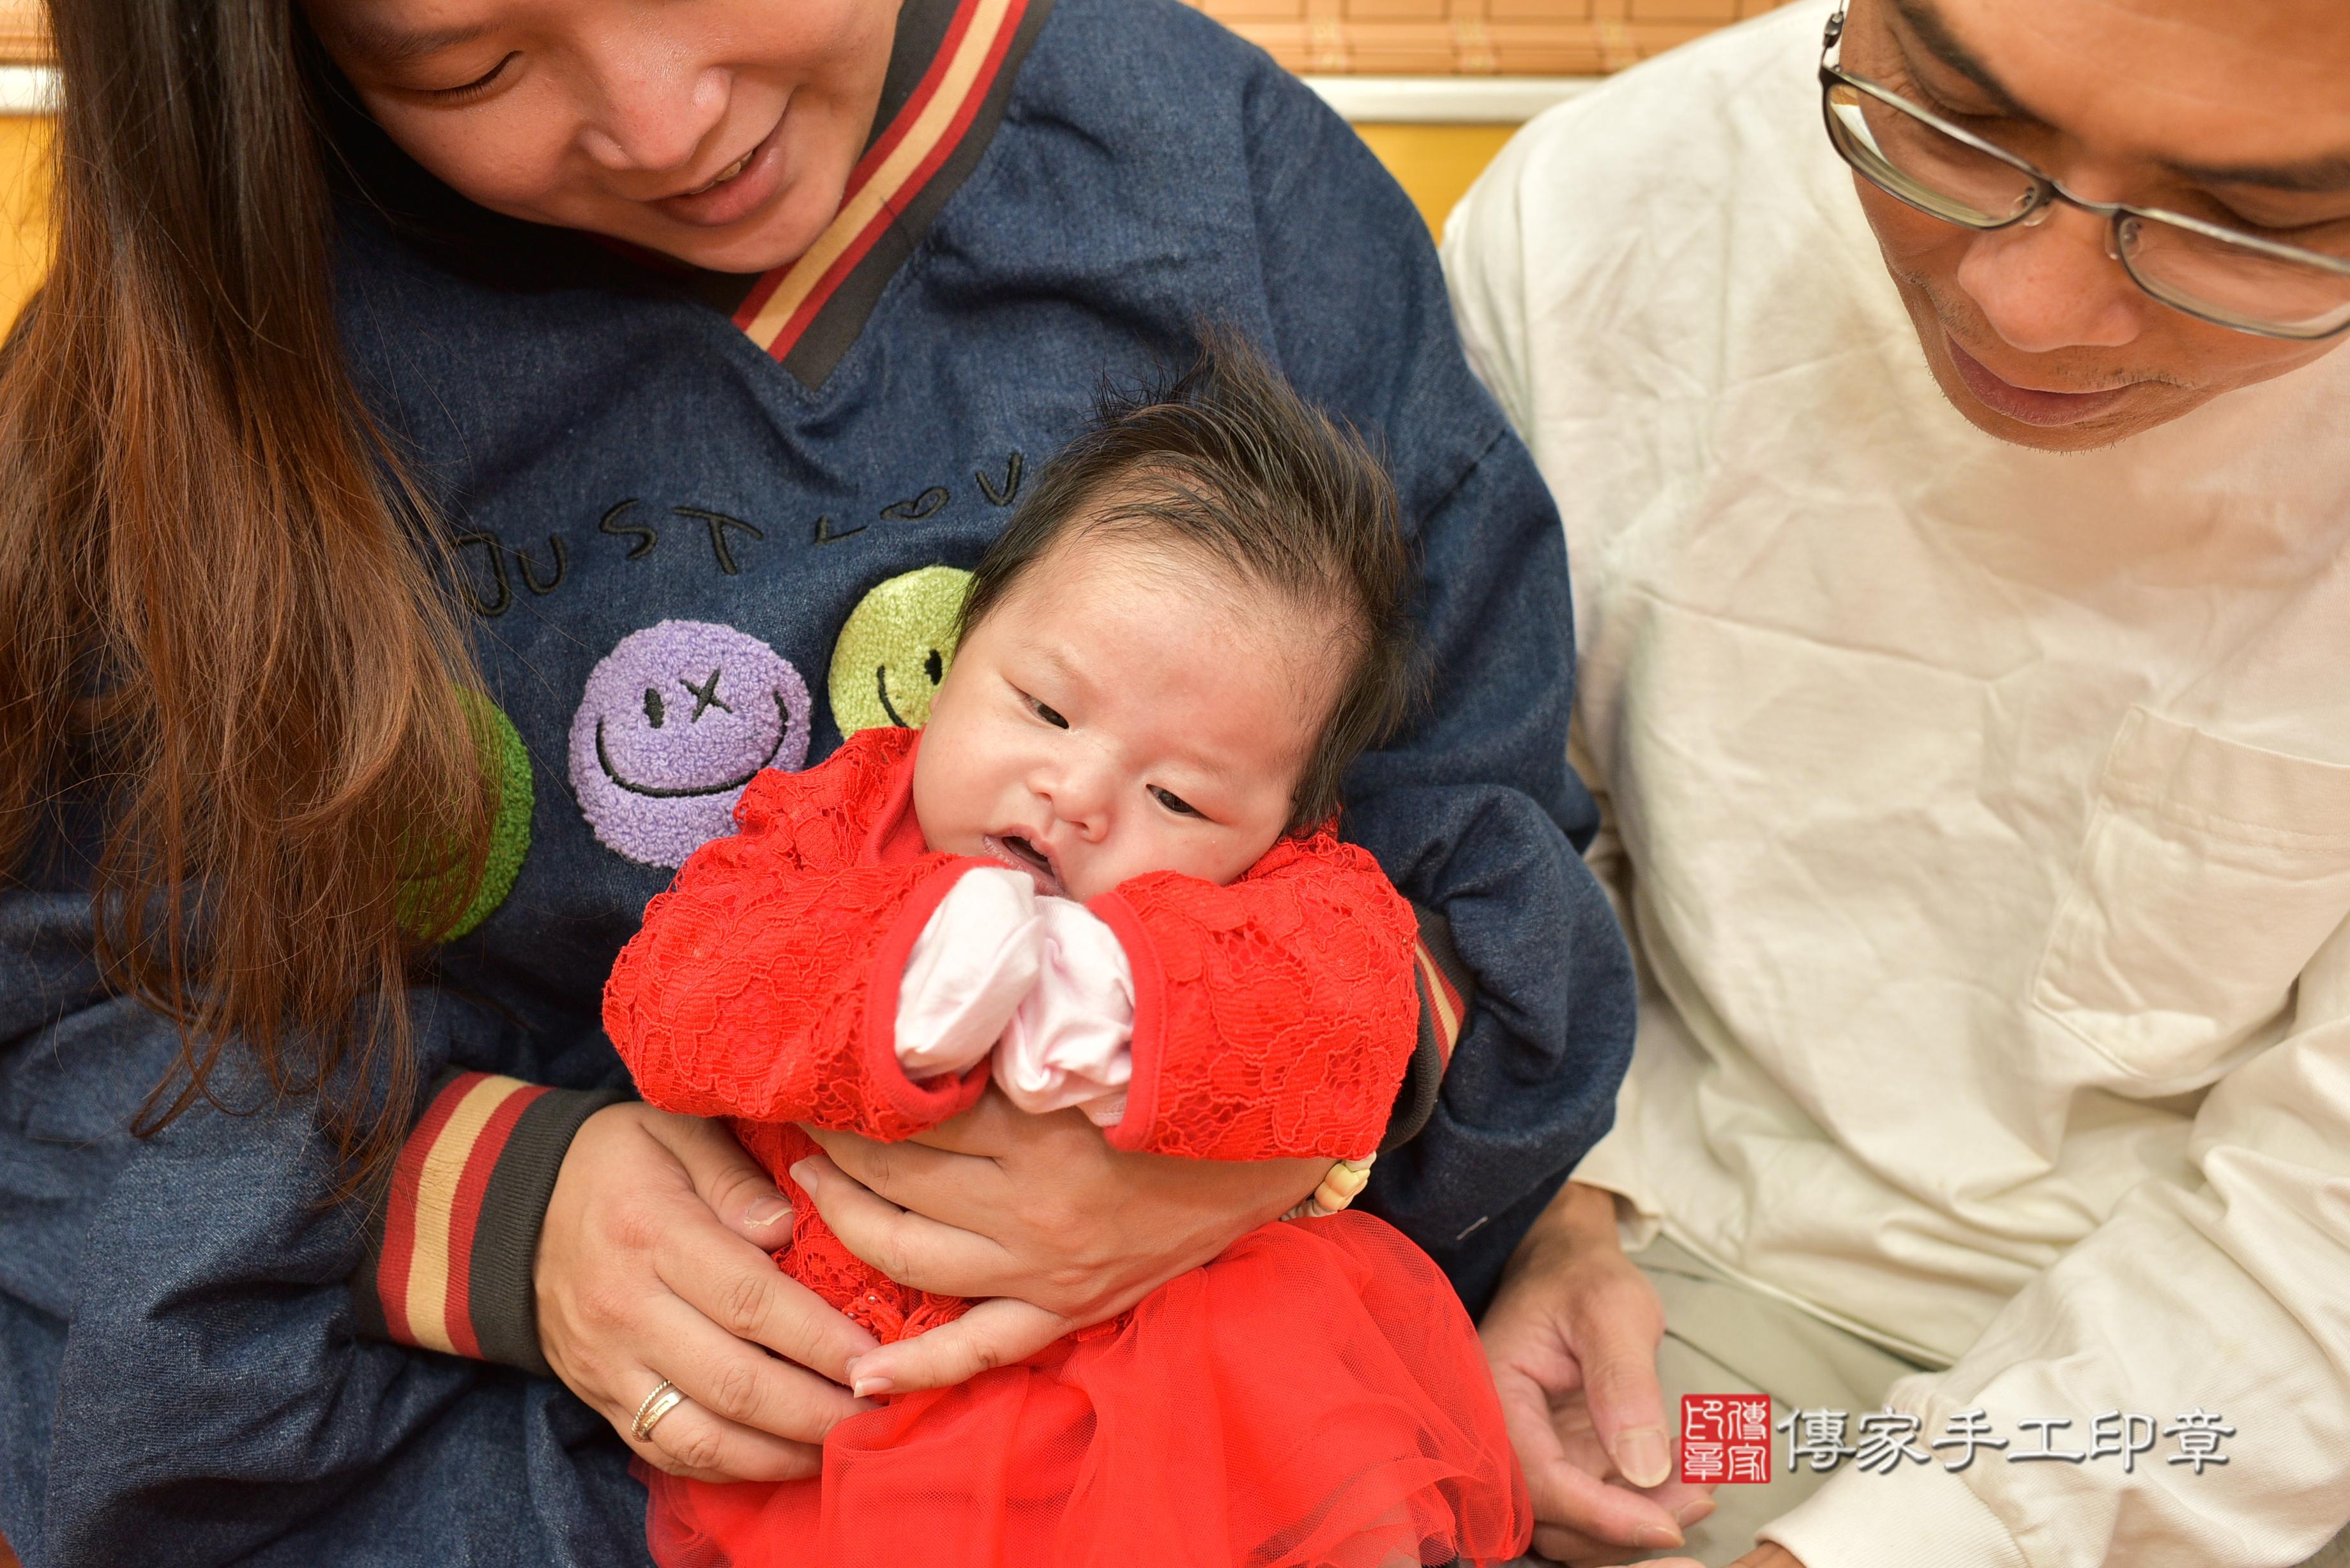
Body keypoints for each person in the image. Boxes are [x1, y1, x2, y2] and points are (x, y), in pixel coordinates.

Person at [0, 0, 1635, 1560]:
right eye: (470, 61)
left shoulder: (1204, 170)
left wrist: (1264, 1130)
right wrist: (499, 1209)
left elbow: (1472, 847)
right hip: (495, 1439)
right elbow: (80, 1012)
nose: (662, 121)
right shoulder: (205, 346)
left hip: (1172, 1420)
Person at [1444, 0, 2350, 1565]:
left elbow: (2311, 1241)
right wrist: (1558, 1197)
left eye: (2238, 226)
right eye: (1952, 124)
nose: (2029, 304)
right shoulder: (1600, 215)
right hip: (1674, 1268)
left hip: (2225, 1393)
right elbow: (1489, 821)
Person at [605, 338, 1529, 1567]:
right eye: (1043, 708)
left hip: (1185, 1369)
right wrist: (896, 979)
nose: (1079, 793)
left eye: (1182, 800)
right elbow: (680, 991)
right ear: (956, 657)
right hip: (882, 1401)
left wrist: (1133, 1003)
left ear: (1285, 826)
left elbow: (1358, 1019)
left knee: (1287, 1395)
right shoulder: (827, 825)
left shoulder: (1293, 896)